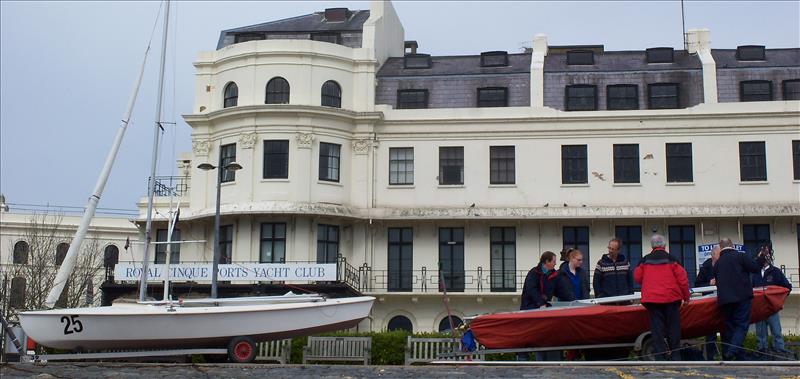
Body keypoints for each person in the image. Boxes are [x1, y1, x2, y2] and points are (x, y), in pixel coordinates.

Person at [634, 234, 690, 361]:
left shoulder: (644, 260)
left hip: (652, 300)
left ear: (652, 246)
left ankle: (660, 357)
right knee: (673, 328)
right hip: (671, 298)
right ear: (664, 245)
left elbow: (637, 278)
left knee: (657, 330)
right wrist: (686, 297)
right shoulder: (673, 259)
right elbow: (683, 280)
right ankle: (675, 355)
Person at [712, 238, 766, 361]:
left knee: (731, 328)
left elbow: (717, 280)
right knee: (741, 326)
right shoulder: (740, 256)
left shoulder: (718, 263)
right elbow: (755, 268)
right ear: (733, 245)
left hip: (725, 300)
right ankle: (731, 351)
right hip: (742, 297)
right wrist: (761, 258)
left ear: (721, 248)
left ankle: (740, 356)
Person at [751, 242, 792, 356]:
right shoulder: (755, 274)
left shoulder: (776, 272)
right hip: (759, 309)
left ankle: (780, 352)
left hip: (772, 308)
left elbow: (787, 287)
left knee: (776, 332)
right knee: (760, 334)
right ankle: (761, 352)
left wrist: (778, 301)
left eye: (766, 253)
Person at [519, 251, 561, 361]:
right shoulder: (533, 273)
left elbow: (560, 290)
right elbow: (532, 290)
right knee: (526, 336)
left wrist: (572, 300)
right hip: (529, 309)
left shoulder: (553, 275)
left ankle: (540, 361)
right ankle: (523, 359)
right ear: (546, 262)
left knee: (540, 337)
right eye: (553, 261)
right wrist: (541, 304)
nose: (555, 264)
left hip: (542, 310)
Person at [694, 245, 721, 360]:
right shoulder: (706, 266)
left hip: (723, 301)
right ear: (713, 254)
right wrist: (709, 284)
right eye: (718, 255)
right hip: (709, 303)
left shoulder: (725, 264)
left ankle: (728, 355)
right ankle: (711, 357)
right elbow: (697, 284)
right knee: (710, 332)